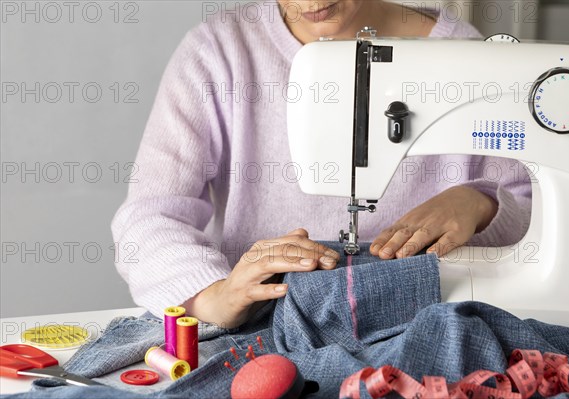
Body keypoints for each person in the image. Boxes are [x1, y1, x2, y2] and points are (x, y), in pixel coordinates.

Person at [111, 1, 531, 329]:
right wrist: (211, 295)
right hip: (262, 320)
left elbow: (531, 208)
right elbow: (150, 217)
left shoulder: (468, 55)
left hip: (419, 318)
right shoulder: (219, 52)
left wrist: (480, 203)